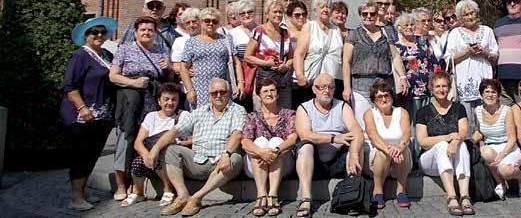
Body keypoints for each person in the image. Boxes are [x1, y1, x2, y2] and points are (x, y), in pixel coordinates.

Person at [147, 78, 247, 216]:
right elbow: (175, 131)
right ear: (209, 95)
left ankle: (196, 198)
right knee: (170, 150)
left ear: (229, 93)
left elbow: (237, 134)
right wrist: (155, 149)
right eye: (214, 93)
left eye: (222, 92)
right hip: (197, 160)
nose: (218, 95)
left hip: (221, 162)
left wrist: (226, 153)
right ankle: (183, 196)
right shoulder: (200, 112)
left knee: (235, 159)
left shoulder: (238, 110)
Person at [110, 16, 172, 201]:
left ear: (155, 33)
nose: (146, 32)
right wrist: (133, 82)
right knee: (126, 139)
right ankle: (121, 185)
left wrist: (168, 67)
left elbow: (167, 78)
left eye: (150, 30)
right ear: (136, 32)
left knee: (146, 140)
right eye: (143, 29)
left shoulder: (160, 50)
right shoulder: (125, 49)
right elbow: (113, 76)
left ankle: (137, 181)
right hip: (130, 102)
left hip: (151, 103)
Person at [60, 16, 118, 211]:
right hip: (83, 114)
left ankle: (83, 191)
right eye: (94, 32)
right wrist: (82, 108)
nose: (99, 35)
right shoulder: (80, 56)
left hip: (102, 114)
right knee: (81, 154)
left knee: (93, 153)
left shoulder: (108, 55)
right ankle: (76, 197)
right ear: (86, 36)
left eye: (102, 32)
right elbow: (70, 85)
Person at [295, 74, 364, 218]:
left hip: (338, 159)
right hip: (315, 162)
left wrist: (355, 153)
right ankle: (305, 199)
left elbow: (357, 131)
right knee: (305, 146)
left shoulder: (342, 106)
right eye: (322, 87)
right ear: (314, 89)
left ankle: (352, 196)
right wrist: (333, 138)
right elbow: (304, 134)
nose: (327, 91)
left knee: (357, 146)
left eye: (331, 87)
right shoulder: (304, 108)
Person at [124, 82, 192, 207]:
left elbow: (192, 139)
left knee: (164, 155)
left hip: (171, 160)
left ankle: (168, 190)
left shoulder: (183, 116)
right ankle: (139, 192)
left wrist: (177, 142)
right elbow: (138, 142)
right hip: (150, 158)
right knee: (137, 162)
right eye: (166, 99)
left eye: (174, 99)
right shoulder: (151, 116)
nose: (170, 103)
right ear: (159, 101)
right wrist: (146, 155)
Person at [342, 0, 408, 129]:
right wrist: (346, 87)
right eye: (364, 14)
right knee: (363, 125)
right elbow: (346, 62)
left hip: (384, 86)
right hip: (360, 86)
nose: (368, 17)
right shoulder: (353, 34)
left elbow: (394, 56)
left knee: (384, 124)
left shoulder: (386, 33)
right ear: (360, 15)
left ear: (377, 15)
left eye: (372, 14)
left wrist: (402, 77)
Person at [416, 71, 473, 216]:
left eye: (444, 86)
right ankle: (452, 197)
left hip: (453, 156)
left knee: (462, 144)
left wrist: (454, 142)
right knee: (441, 145)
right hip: (429, 161)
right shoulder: (423, 112)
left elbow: (463, 131)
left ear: (449, 88)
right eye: (437, 86)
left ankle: (465, 196)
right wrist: (447, 138)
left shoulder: (459, 108)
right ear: (431, 88)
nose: (441, 90)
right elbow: (423, 141)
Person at [241, 79, 298, 217]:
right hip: (256, 165)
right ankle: (261, 194)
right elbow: (245, 142)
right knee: (259, 142)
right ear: (259, 96)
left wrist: (276, 151)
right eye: (265, 91)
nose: (269, 94)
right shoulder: (252, 117)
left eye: (272, 90)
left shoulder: (289, 114)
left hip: (283, 164)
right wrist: (262, 153)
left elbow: (293, 138)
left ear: (278, 94)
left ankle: (272, 195)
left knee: (275, 141)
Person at [444, 0, 499, 132]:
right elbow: (448, 59)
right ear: (460, 18)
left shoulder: (487, 31)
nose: (470, 16)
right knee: (467, 123)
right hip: (464, 82)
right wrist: (467, 52)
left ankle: (486, 149)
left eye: (472, 13)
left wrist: (484, 52)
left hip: (484, 80)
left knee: (486, 120)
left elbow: (495, 56)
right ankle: (469, 149)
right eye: (466, 14)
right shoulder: (455, 33)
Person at [471, 79, 521, 200]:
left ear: (498, 95)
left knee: (505, 170)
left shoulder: (507, 110)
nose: (490, 95)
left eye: (493, 92)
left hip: (508, 147)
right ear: (481, 95)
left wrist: (503, 154)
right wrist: (468, 142)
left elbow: (512, 138)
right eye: (486, 92)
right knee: (484, 152)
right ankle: (500, 183)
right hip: (491, 147)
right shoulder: (477, 111)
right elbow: (479, 132)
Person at [179, 7, 244, 109]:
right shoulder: (192, 42)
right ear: (200, 22)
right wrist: (190, 90)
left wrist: (240, 83)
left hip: (221, 90)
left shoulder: (226, 39)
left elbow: (236, 62)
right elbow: (183, 67)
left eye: (214, 21)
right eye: (207, 21)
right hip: (199, 90)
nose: (211, 23)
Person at [363, 80, 412, 209]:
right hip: (378, 158)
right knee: (381, 152)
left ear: (391, 97)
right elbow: (373, 135)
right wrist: (389, 149)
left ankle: (401, 190)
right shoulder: (369, 114)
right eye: (379, 97)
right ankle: (378, 190)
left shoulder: (402, 112)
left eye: (386, 95)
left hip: (399, 157)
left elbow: (407, 133)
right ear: (374, 100)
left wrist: (399, 147)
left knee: (405, 150)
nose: (384, 99)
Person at [394, 12, 445, 134]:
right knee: (414, 123)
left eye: (411, 24)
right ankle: (415, 151)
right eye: (405, 25)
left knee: (428, 122)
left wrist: (436, 82)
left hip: (428, 89)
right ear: (399, 28)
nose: (409, 27)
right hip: (410, 92)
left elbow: (434, 63)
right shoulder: (397, 47)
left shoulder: (422, 41)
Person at [293, 0, 344, 107]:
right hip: (312, 82)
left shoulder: (336, 30)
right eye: (322, 7)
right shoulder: (309, 26)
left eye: (328, 7)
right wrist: (300, 75)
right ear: (316, 9)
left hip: (334, 81)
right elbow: (299, 54)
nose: (326, 9)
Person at [245, 0, 294, 109]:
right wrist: (265, 63)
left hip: (282, 81)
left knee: (284, 113)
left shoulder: (285, 32)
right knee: (263, 113)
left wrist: (285, 66)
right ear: (267, 14)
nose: (278, 14)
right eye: (274, 12)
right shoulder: (259, 31)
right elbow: (247, 56)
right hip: (264, 80)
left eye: (280, 12)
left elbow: (291, 57)